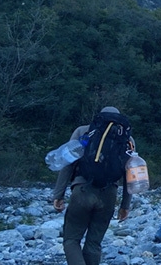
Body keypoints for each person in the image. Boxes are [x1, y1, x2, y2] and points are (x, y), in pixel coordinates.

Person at [51, 106, 133, 265]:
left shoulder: (83, 131)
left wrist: (58, 195)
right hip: (109, 193)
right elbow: (130, 174)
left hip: (82, 190)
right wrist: (125, 205)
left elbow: (68, 163)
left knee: (71, 240)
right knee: (94, 244)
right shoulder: (127, 139)